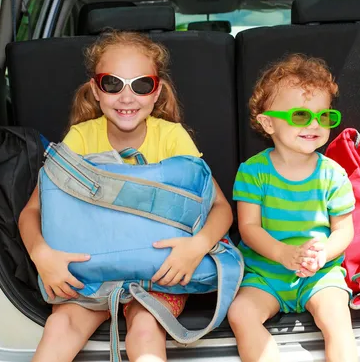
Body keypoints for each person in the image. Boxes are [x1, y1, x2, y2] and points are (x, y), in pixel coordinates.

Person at [18, 30, 233, 362]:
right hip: (90, 274)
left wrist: (197, 247)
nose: (127, 97)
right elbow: (32, 210)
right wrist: (41, 255)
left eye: (141, 85)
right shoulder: (80, 138)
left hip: (159, 275)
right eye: (113, 83)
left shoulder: (172, 138)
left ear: (156, 90)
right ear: (95, 89)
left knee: (146, 328)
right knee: (59, 327)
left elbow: (220, 207)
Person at [227, 54, 358, 362]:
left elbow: (343, 229)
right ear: (268, 122)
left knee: (338, 321)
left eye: (323, 116)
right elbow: (248, 228)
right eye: (300, 116)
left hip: (319, 274)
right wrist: (283, 254)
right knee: (240, 314)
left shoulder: (333, 173)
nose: (314, 124)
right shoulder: (253, 172)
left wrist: (324, 252)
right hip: (265, 273)